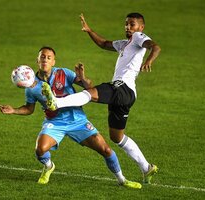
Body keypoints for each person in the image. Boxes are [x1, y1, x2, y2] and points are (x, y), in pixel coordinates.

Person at [0, 46, 142, 188]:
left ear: (53, 61)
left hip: (77, 120)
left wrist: (83, 76)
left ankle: (122, 180)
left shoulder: (63, 73)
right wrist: (14, 110)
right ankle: (48, 166)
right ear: (37, 60)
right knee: (40, 149)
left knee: (106, 150)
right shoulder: (31, 85)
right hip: (55, 122)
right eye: (42, 57)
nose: (45, 60)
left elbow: (89, 87)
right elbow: (29, 108)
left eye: (49, 58)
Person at [42, 13, 161, 184]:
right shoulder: (125, 44)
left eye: (132, 24)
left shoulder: (138, 37)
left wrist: (149, 60)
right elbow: (104, 44)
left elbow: (155, 47)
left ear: (141, 27)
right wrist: (89, 30)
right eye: (126, 24)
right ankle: (146, 168)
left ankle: (57, 102)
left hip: (122, 88)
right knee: (117, 137)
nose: (128, 27)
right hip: (126, 96)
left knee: (90, 92)